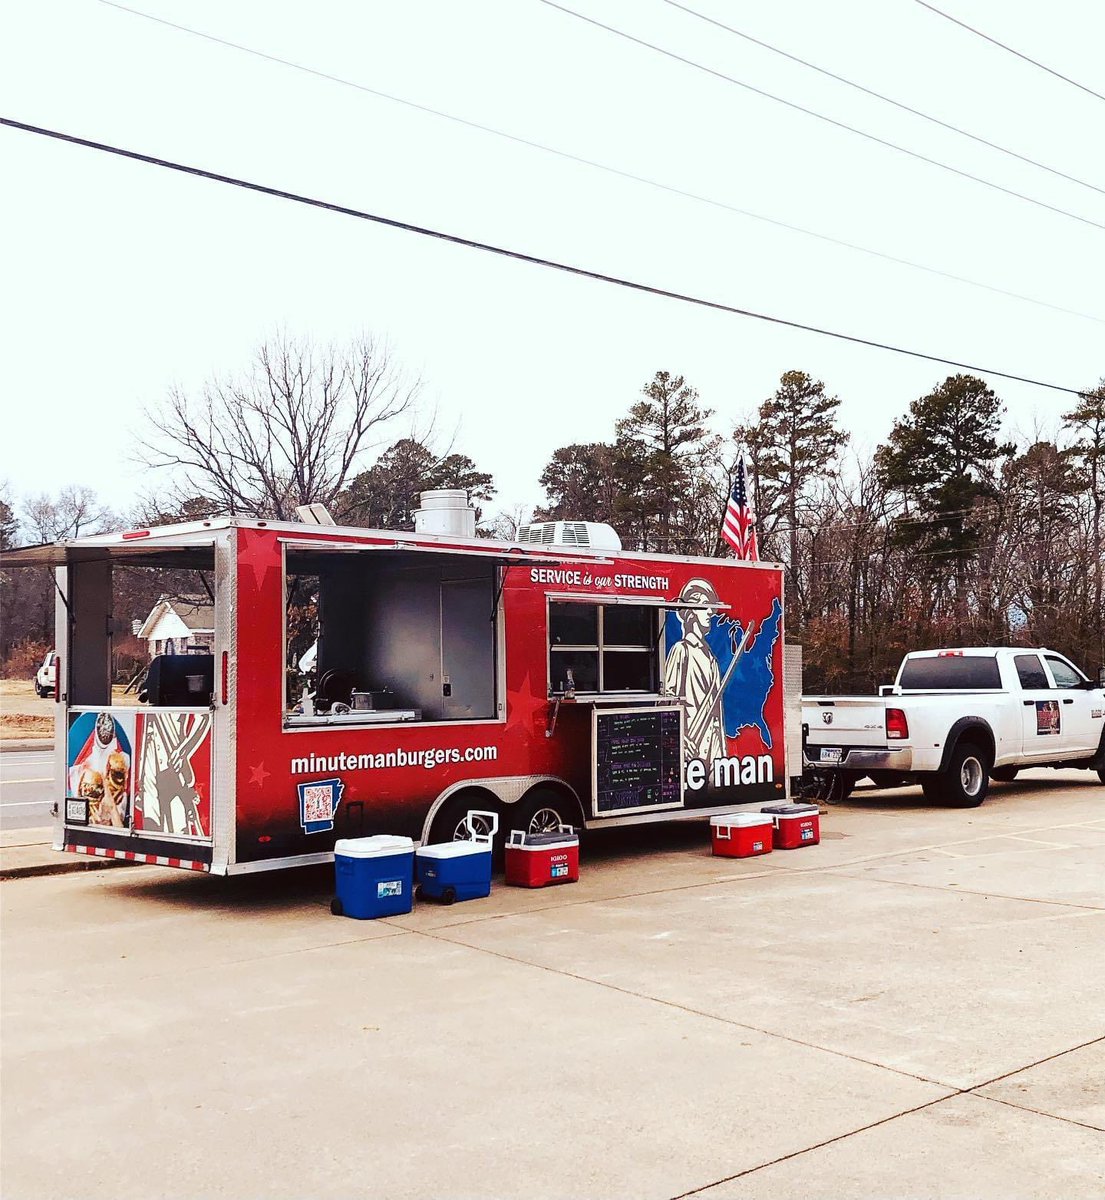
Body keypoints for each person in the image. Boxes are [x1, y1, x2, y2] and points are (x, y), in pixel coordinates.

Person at [664, 578, 726, 764]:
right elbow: (668, 699)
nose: (710, 612)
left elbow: (717, 710)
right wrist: (679, 737)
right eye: (705, 606)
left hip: (714, 747)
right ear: (691, 611)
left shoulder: (712, 658)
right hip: (692, 746)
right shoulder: (681, 650)